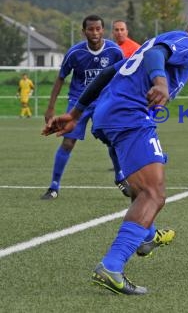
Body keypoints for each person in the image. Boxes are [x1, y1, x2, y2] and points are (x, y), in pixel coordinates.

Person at [42, 6, 188, 295]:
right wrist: (160, 81)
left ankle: (148, 235)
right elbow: (158, 57)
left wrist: (76, 114)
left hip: (108, 115)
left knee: (141, 191)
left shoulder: (158, 41)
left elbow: (107, 72)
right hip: (130, 116)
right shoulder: (183, 42)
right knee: (155, 194)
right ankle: (112, 266)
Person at [42, 15, 128, 200]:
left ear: (103, 30)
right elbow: (60, 78)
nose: (95, 32)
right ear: (84, 32)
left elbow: (123, 75)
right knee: (67, 142)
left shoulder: (114, 51)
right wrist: (50, 108)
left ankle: (120, 176)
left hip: (103, 101)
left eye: (98, 29)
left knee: (113, 140)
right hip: (78, 102)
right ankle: (54, 186)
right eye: (91, 29)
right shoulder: (74, 53)